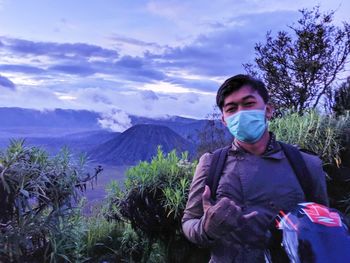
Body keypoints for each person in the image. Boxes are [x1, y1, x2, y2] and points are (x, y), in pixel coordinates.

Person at [181, 74, 329, 263]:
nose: (240, 113)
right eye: (231, 109)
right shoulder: (211, 163)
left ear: (268, 110)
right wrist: (206, 228)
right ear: (224, 120)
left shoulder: (306, 163)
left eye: (248, 104)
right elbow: (188, 222)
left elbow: (324, 224)